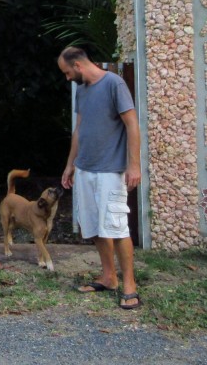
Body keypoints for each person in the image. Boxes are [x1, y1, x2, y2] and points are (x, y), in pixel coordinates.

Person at [57, 46, 142, 310]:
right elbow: (79, 129)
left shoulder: (114, 84)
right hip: (85, 169)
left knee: (117, 228)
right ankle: (108, 277)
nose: (67, 78)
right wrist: (70, 165)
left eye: (67, 72)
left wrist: (134, 165)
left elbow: (132, 124)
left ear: (78, 65)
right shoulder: (81, 90)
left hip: (110, 170)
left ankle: (130, 284)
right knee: (94, 227)